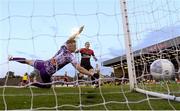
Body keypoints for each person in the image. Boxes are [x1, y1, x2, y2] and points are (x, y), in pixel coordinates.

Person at [8, 25, 99, 88]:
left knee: (27, 61)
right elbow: (79, 69)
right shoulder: (70, 56)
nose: (76, 47)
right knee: (48, 86)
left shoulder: (63, 47)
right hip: (46, 73)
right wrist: (92, 74)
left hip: (42, 63)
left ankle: (12, 58)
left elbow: (70, 39)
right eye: (74, 45)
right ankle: (33, 83)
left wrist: (78, 32)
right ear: (70, 46)